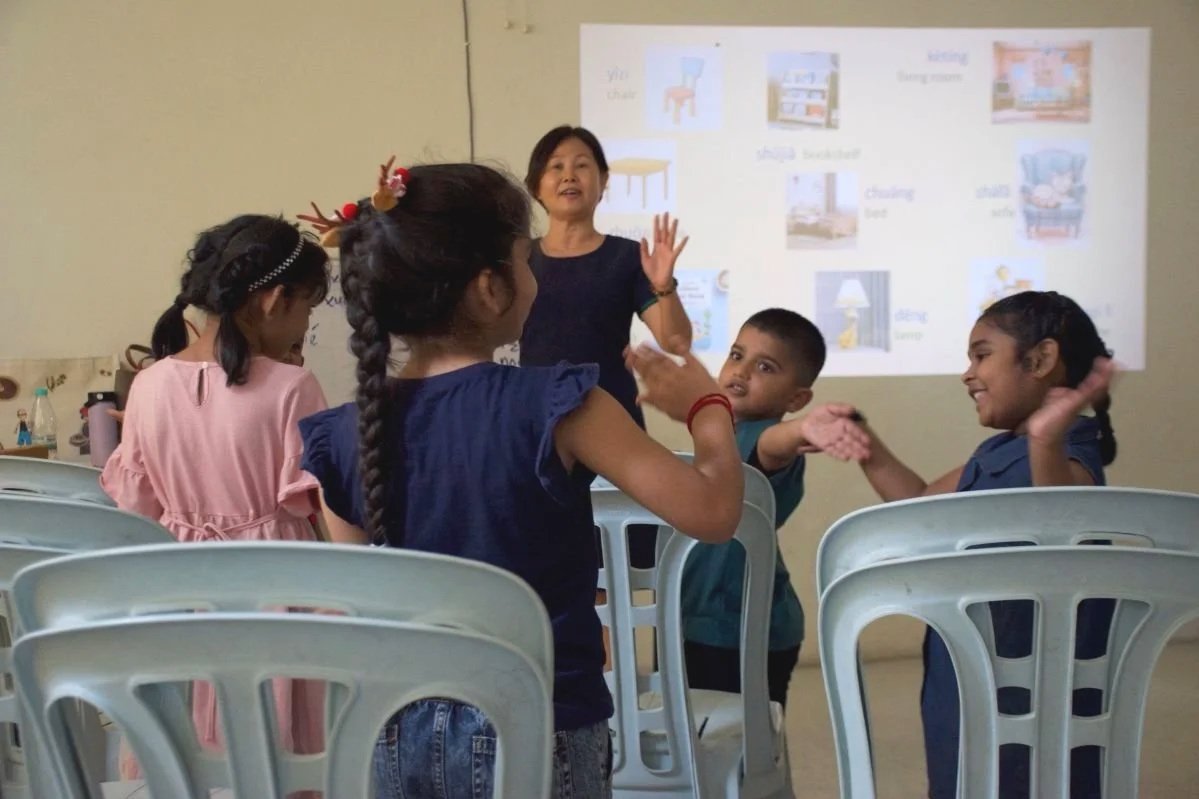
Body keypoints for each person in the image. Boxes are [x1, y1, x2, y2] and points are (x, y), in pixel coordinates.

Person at [297, 159, 751, 798]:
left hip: (392, 730)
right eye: (524, 260)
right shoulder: (564, 404)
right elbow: (713, 513)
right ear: (489, 288)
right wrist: (708, 408)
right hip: (541, 729)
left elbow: (373, 601)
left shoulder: (341, 435)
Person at [834, 290, 1117, 798]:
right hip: (966, 673)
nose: (968, 373)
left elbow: (1063, 527)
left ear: (1041, 359)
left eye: (982, 355)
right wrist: (868, 448)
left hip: (1030, 691)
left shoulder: (1069, 453)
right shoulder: (997, 451)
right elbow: (921, 501)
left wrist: (1045, 443)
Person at [100, 214, 331, 781]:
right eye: (307, 307)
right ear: (275, 300)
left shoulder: (149, 385)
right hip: (275, 589)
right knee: (277, 755)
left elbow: (136, 508)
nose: (305, 323)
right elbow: (323, 509)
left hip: (176, 590)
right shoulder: (291, 387)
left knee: (183, 759)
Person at [681, 308, 870, 707]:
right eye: (736, 355)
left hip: (743, 629)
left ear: (796, 398)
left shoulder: (763, 439)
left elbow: (774, 444)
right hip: (692, 620)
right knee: (696, 739)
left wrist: (803, 428)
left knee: (745, 747)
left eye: (764, 367)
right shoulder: (719, 436)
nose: (742, 372)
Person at [521, 125, 694, 429]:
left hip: (613, 420)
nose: (569, 176)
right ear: (536, 186)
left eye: (582, 165)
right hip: (534, 417)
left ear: (603, 181)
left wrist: (664, 286)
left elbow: (676, 341)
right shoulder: (518, 259)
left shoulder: (627, 256)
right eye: (556, 166)